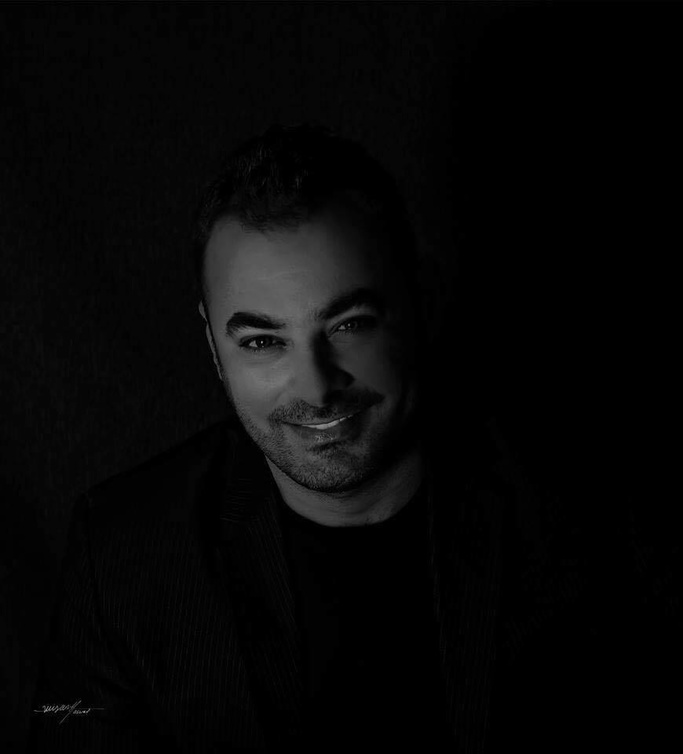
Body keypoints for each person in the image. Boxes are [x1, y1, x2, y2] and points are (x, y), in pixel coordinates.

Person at [27, 123, 679, 753]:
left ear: (420, 300)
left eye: (348, 324)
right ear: (212, 345)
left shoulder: (594, 512)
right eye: (262, 341)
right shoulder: (123, 556)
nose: (315, 388)